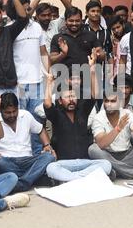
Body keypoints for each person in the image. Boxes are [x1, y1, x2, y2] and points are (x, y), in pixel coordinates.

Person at [43, 54, 112, 182]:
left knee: (106, 165)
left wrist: (91, 71)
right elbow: (47, 104)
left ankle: (72, 179)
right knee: (51, 168)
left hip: (85, 162)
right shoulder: (56, 114)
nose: (71, 100)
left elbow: (94, 94)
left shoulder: (82, 111)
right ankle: (84, 179)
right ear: (59, 101)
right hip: (64, 164)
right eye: (67, 97)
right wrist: (49, 83)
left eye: (73, 97)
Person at [0, 92, 56, 192]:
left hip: (27, 160)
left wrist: (47, 145)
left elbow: (40, 130)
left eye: (14, 111)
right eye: (7, 112)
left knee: (49, 156)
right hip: (5, 162)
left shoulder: (26, 115)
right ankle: (31, 179)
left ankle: (20, 183)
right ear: (1, 111)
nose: (12, 115)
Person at [89, 91, 133, 180]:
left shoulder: (127, 114)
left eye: (113, 101)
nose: (109, 104)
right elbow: (101, 144)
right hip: (107, 154)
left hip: (127, 154)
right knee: (93, 149)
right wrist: (118, 129)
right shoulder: (98, 117)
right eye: (106, 101)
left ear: (120, 102)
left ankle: (114, 170)